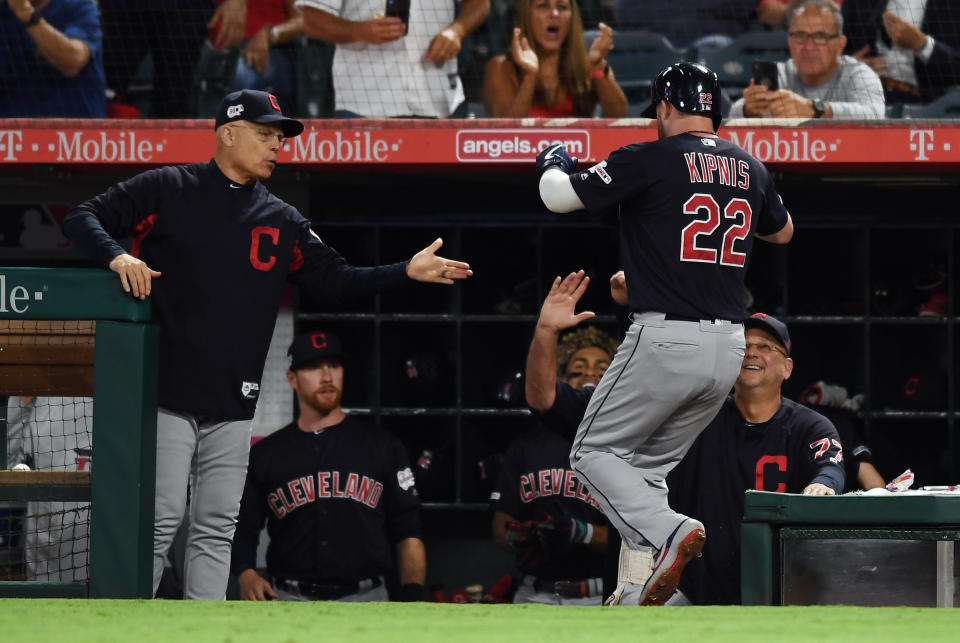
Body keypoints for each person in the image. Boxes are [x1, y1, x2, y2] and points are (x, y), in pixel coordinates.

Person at [60, 89, 472, 600]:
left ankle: (203, 634)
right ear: (227, 133)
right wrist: (117, 257)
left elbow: (337, 279)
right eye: (265, 134)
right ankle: (129, 629)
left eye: (280, 137)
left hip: (234, 402)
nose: (276, 145)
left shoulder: (283, 217)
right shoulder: (169, 186)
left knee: (215, 528)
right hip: (163, 391)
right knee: (160, 520)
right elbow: (81, 217)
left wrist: (404, 271)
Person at [535, 61, 794, 606]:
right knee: (644, 469)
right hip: (727, 347)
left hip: (666, 338)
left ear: (667, 107)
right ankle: (636, 590)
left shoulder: (650, 156)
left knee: (590, 452)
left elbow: (557, 197)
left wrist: (552, 161)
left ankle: (672, 532)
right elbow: (783, 230)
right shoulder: (750, 165)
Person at [527, 273, 846, 605]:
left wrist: (823, 483)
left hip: (771, 586)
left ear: (788, 367)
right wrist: (550, 331)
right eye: (746, 344)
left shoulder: (809, 425)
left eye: (765, 347)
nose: (752, 353)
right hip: (686, 589)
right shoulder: (690, 408)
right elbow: (548, 400)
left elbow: (830, 467)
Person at [231, 331, 426, 602]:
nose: (326, 376)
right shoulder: (268, 454)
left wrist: (413, 594)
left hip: (368, 599)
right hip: (288, 598)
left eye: (334, 366)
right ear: (292, 379)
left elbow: (408, 529)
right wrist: (245, 573)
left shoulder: (382, 446)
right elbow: (244, 527)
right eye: (313, 367)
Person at [490, 320, 619, 605]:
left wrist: (580, 532)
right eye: (577, 370)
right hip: (535, 592)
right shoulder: (527, 444)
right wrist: (520, 537)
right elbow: (502, 521)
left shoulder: (628, 446)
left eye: (602, 372)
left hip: (598, 594)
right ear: (560, 379)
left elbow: (639, 541)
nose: (589, 376)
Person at [296, 0, 490, 118]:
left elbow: (480, 3)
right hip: (364, 103)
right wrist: (358, 31)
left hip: (438, 101)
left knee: (439, 186)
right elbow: (312, 21)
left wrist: (457, 31)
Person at [729, 0, 885, 119]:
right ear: (789, 41)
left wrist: (814, 109)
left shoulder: (859, 73)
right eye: (800, 36)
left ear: (840, 44)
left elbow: (875, 115)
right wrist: (748, 109)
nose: (809, 46)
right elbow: (733, 115)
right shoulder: (781, 74)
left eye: (820, 36)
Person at [99, 0, 246, 118]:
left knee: (173, 101)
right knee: (107, 94)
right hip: (121, 7)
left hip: (185, 7)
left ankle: (169, 153)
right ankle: (98, 150)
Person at [483, 0, 627, 118]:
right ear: (526, 15)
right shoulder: (501, 68)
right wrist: (529, 77)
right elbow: (504, 136)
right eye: (543, 6)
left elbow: (619, 118)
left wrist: (597, 68)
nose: (554, 14)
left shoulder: (587, 65)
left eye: (562, 7)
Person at [6, 396, 94, 582]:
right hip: (49, 560)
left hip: (104, 557)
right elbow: (12, 468)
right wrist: (23, 402)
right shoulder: (39, 397)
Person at [0, 0, 106, 117]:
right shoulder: (4, 13)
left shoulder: (79, 6)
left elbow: (73, 61)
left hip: (76, 130)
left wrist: (26, 13)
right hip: (11, 131)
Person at [844, 0, 960, 103]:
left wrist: (922, 44)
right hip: (866, 99)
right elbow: (834, 56)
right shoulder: (857, 3)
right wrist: (853, 68)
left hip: (930, 105)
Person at [200, 0, 304, 106]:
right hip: (212, 49)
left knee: (242, 76)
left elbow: (303, 20)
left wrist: (270, 34)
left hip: (269, 50)